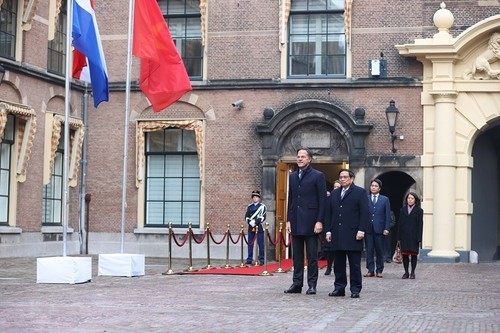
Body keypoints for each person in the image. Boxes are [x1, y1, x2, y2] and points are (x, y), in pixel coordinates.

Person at [284, 148, 326, 295]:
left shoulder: (318, 176)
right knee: (297, 256)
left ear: (309, 159)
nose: (300, 159)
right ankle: (297, 283)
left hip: (311, 221)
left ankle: (312, 284)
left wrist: (319, 220)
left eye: (303, 157)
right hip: (295, 220)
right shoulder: (293, 176)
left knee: (312, 256)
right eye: (298, 156)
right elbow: (291, 200)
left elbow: (322, 200)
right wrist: (288, 220)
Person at [326, 169, 369, 299]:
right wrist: (328, 230)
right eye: (340, 177)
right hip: (337, 233)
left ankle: (355, 289)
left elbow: (364, 213)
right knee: (338, 264)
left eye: (345, 177)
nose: (342, 179)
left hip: (353, 233)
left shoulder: (360, 192)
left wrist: (361, 230)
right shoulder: (334, 193)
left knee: (354, 264)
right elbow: (329, 213)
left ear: (351, 179)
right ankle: (339, 287)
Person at [364, 178, 392, 278]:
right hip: (368, 228)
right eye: (372, 186)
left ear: (379, 188)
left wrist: (387, 228)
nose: (373, 187)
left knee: (380, 250)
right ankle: (370, 269)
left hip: (380, 228)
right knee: (369, 250)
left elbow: (387, 215)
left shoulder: (384, 199)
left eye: (376, 186)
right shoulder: (365, 198)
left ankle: (379, 270)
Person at [397, 192, 423, 279]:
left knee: (413, 255)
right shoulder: (402, 210)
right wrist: (398, 237)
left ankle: (412, 272)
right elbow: (400, 224)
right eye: (408, 198)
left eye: (412, 198)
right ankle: (406, 272)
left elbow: (420, 225)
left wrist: (419, 237)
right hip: (404, 236)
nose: (410, 200)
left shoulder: (419, 211)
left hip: (414, 236)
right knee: (405, 255)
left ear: (415, 200)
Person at [323, 180, 341, 275]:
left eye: (338, 187)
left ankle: (338, 267)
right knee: (329, 250)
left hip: (341, 227)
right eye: (335, 187)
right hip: (331, 226)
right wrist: (327, 230)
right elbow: (327, 214)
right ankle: (329, 267)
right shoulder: (330, 198)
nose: (336, 189)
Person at [245, 190, 267, 265]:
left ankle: (261, 259)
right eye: (254, 197)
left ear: (259, 198)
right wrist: (250, 222)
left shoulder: (262, 207)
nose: (255, 198)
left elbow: (263, 217)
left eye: (256, 197)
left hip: (259, 227)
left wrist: (255, 222)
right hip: (251, 227)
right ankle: (249, 259)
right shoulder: (249, 206)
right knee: (250, 244)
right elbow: (246, 216)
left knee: (260, 244)